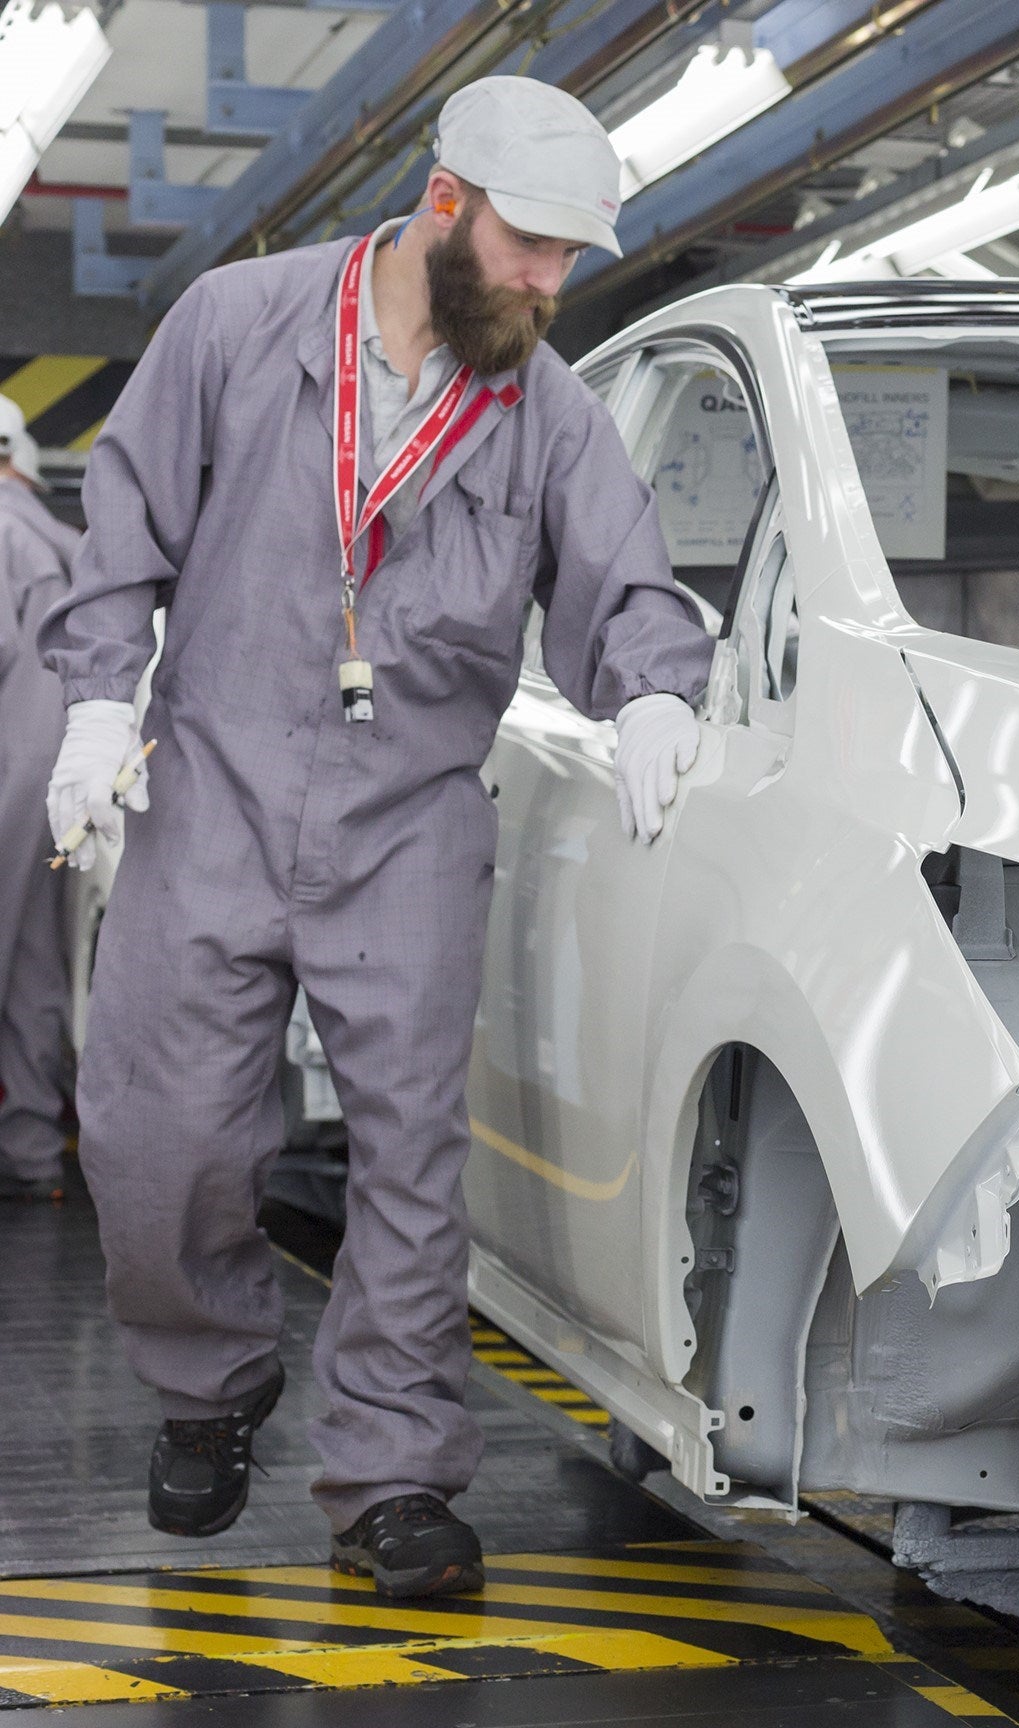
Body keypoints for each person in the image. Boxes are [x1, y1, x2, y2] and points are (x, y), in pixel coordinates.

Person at [40, 76, 714, 1600]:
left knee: (412, 1164)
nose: (551, 285)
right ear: (442, 201)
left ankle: (392, 1477)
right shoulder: (236, 324)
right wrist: (97, 707)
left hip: (409, 820)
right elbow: (125, 527)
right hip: (214, 784)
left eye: (568, 259)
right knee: (158, 1135)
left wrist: (660, 694)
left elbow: (622, 582)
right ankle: (209, 1384)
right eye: (532, 247)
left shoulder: (549, 411)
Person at [0, 397, 76, 1205]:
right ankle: (28, 1152)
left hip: (6, 774)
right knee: (29, 964)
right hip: (52, 779)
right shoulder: (55, 538)